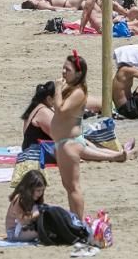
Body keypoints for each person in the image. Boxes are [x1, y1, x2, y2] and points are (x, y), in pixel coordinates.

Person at [51, 52, 90, 219]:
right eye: (63, 68)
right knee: (68, 185)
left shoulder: (79, 92)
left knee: (73, 186)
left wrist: (58, 88)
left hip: (70, 143)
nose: (63, 72)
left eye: (67, 69)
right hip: (62, 142)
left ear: (78, 73)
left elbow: (60, 109)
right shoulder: (71, 89)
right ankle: (75, 219)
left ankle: (80, 222)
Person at [5, 170, 45, 242]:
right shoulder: (19, 199)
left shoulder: (33, 198)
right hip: (14, 232)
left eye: (42, 190)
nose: (40, 193)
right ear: (29, 189)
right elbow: (22, 221)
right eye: (38, 190)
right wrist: (38, 213)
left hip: (25, 227)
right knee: (44, 230)